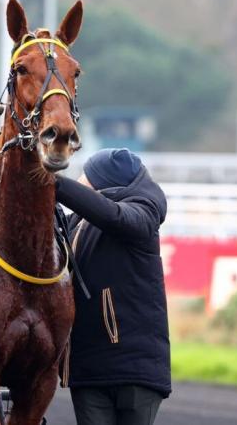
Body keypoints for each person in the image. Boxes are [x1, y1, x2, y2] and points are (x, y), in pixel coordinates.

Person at [55, 148, 170, 425]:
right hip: (87, 368)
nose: (80, 179)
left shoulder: (144, 213)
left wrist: (54, 182)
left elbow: (114, 216)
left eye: (86, 174)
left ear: (103, 181)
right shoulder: (75, 224)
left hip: (134, 370)